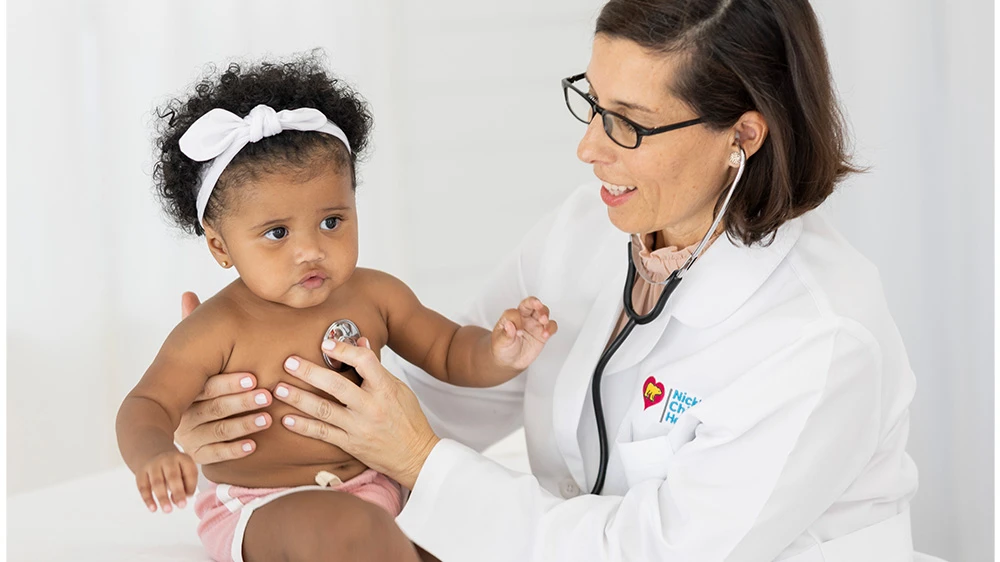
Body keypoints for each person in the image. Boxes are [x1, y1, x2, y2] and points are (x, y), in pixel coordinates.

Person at [175, 1, 920, 560]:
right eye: (593, 101)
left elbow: (661, 551)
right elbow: (446, 396)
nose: (587, 147)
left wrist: (418, 464)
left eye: (628, 120)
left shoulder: (820, 338)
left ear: (743, 136)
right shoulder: (596, 226)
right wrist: (255, 407)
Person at [116, 55, 555, 562]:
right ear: (220, 247)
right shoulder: (216, 328)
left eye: (331, 221)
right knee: (347, 528)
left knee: (476, 540)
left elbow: (450, 350)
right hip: (267, 506)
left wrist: (499, 351)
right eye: (277, 233)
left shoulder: (376, 296)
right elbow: (146, 405)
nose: (310, 249)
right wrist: (154, 454)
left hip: (382, 486)